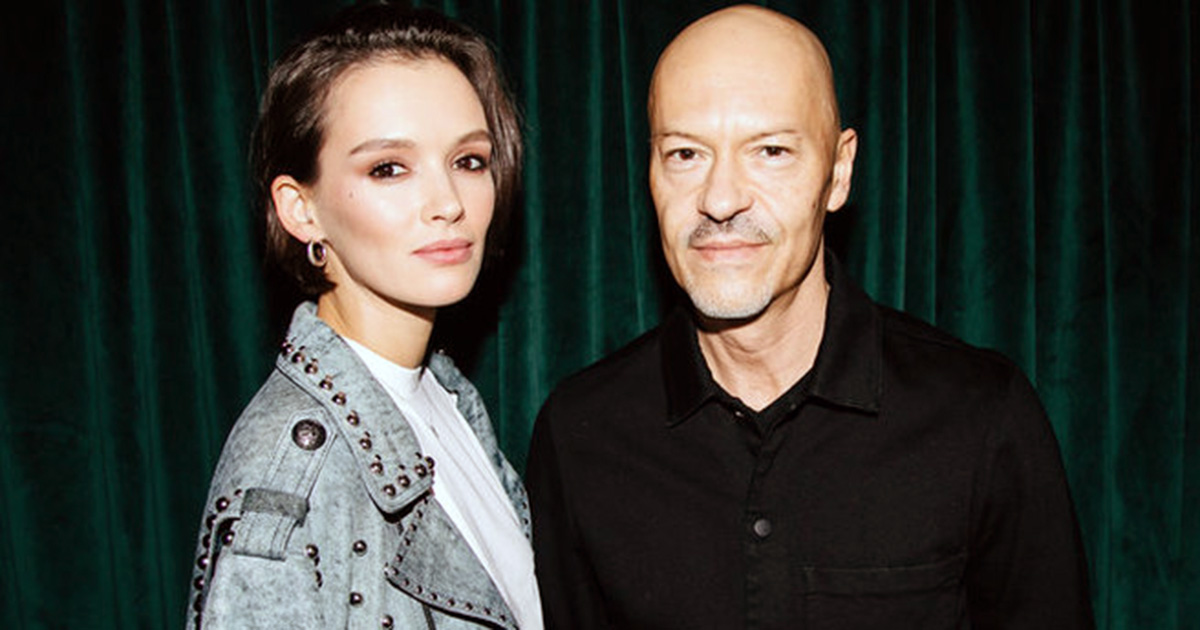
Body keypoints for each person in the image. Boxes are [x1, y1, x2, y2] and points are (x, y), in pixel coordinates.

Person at [525, 5, 1093, 629]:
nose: (720, 199)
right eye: (685, 154)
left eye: (770, 151)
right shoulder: (580, 435)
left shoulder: (981, 416)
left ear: (838, 172)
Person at [185, 3, 541, 628]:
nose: (448, 203)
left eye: (469, 161)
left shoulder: (445, 400)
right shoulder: (288, 481)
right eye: (388, 168)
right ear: (301, 210)